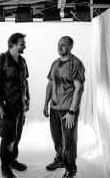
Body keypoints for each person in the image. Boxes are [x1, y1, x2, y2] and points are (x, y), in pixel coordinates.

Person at [43, 36, 85, 178]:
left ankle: (71, 169)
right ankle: (60, 160)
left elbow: (79, 89)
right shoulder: (55, 63)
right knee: (57, 139)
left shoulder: (76, 63)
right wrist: (45, 103)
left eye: (63, 45)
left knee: (69, 141)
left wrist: (72, 111)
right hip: (54, 108)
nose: (60, 48)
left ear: (71, 46)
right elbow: (50, 84)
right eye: (58, 45)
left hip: (68, 109)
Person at [0, 33, 30, 178]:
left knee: (17, 136)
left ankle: (13, 161)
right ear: (12, 44)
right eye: (22, 43)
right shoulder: (0, 59)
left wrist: (27, 98)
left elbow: (25, 81)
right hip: (6, 107)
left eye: (24, 43)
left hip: (20, 106)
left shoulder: (22, 61)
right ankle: (5, 169)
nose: (24, 45)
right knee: (8, 138)